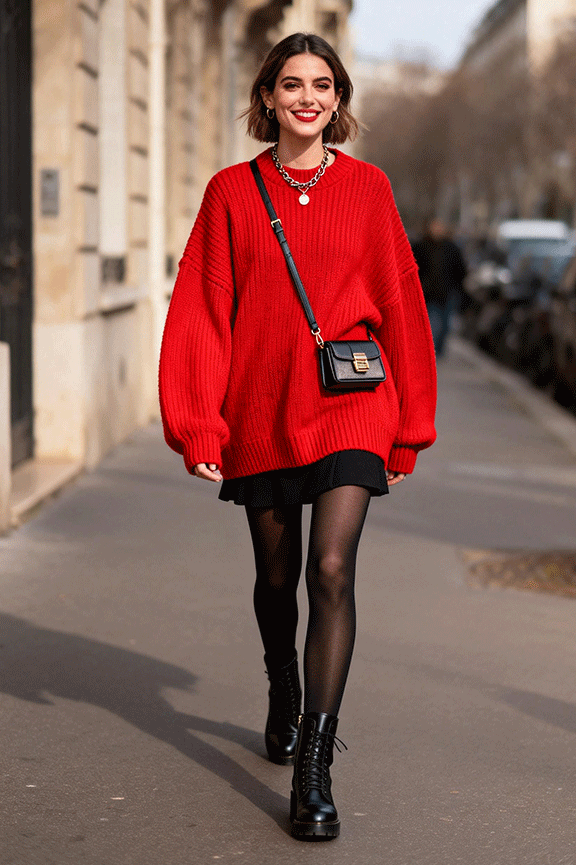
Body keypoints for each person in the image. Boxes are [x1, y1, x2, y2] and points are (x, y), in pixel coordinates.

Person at [158, 32, 437, 841]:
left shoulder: (371, 190)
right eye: (292, 84)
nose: (308, 97)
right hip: (262, 408)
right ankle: (283, 684)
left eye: (322, 84)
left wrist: (410, 424)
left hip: (353, 404)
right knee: (275, 579)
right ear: (269, 98)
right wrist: (197, 419)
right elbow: (202, 313)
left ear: (339, 99)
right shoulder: (231, 194)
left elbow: (402, 305)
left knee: (332, 565)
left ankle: (315, 762)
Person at [411, 217, 468, 357]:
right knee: (430, 325)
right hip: (428, 294)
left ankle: (439, 351)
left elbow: (461, 269)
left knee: (446, 326)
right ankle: (430, 352)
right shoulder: (420, 246)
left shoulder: (451, 247)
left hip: (447, 293)